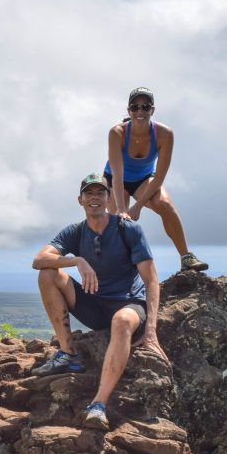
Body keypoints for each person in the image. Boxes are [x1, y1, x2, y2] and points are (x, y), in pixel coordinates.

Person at [30, 172, 167, 428]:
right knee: (48, 274)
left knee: (123, 321)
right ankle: (68, 352)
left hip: (128, 304)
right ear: (80, 199)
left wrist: (150, 331)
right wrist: (76, 260)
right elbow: (38, 260)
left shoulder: (128, 229)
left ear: (109, 198)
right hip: (94, 304)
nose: (95, 198)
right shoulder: (75, 232)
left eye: (100, 193)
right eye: (89, 193)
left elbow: (151, 280)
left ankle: (98, 404)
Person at [105, 87, 208, 272]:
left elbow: (160, 175)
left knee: (166, 206)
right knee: (116, 222)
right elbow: (117, 173)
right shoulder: (117, 133)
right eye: (135, 107)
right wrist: (122, 209)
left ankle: (186, 257)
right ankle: (117, 268)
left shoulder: (164, 134)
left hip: (144, 179)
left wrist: (137, 207)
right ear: (129, 111)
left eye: (145, 107)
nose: (140, 112)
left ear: (152, 110)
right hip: (115, 179)